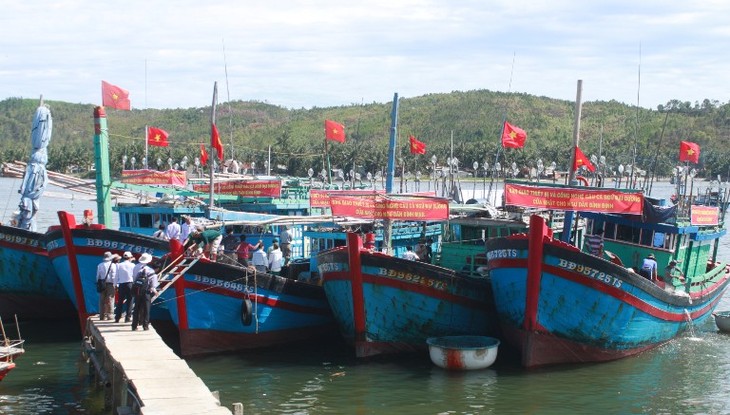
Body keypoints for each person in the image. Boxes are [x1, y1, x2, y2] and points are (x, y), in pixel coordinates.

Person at [131, 252, 158, 331]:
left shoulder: (135, 267)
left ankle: (134, 326)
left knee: (136, 308)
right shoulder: (150, 270)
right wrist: (154, 290)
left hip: (137, 289)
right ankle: (145, 326)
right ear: (148, 261)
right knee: (146, 309)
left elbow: (134, 278)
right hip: (146, 292)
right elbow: (153, 284)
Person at [96, 251, 118, 321]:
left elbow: (97, 276)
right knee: (110, 299)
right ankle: (110, 315)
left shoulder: (100, 265)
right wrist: (115, 285)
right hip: (110, 284)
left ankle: (102, 316)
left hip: (102, 284)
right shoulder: (113, 265)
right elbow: (114, 276)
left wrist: (98, 283)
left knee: (102, 300)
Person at [114, 251, 136, 323]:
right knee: (130, 301)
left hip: (122, 284)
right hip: (130, 283)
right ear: (130, 257)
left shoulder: (119, 265)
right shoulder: (133, 265)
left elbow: (116, 276)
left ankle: (117, 317)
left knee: (120, 301)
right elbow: (135, 276)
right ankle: (128, 317)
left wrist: (115, 285)